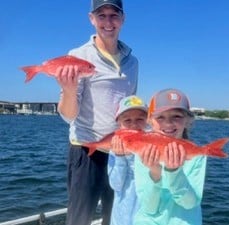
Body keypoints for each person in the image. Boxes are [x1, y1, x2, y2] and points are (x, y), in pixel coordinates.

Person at [55, 0, 138, 225]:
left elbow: (130, 111)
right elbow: (68, 116)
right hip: (85, 149)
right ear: (91, 19)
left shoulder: (133, 62)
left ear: (123, 19)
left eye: (114, 15)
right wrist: (68, 90)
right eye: (101, 16)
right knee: (79, 219)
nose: (108, 22)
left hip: (120, 151)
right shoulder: (78, 56)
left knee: (118, 217)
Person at [134, 88, 207, 225]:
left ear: (187, 121)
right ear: (150, 121)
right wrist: (155, 173)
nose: (168, 123)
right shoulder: (142, 152)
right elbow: (149, 208)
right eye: (160, 117)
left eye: (177, 116)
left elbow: (190, 203)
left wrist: (174, 173)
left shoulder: (196, 154)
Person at [107, 95, 148, 225]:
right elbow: (115, 185)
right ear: (119, 122)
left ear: (148, 120)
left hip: (146, 216)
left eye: (140, 119)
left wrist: (130, 157)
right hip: (121, 217)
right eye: (127, 120)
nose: (134, 124)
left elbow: (148, 181)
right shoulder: (115, 148)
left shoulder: (151, 146)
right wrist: (120, 157)